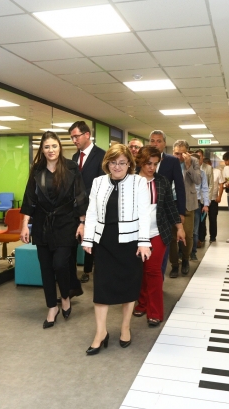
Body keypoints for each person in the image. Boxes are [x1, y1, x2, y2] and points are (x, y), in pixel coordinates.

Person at [82, 144, 151, 355]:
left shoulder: (139, 182)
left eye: (122, 162)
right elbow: (92, 212)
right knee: (101, 288)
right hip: (104, 241)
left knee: (128, 287)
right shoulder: (98, 182)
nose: (117, 166)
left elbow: (145, 213)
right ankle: (100, 332)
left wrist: (144, 242)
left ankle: (125, 327)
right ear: (107, 163)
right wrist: (88, 239)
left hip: (129, 242)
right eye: (113, 162)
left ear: (129, 163)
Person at [19, 132, 87, 328]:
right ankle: (52, 307)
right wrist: (25, 224)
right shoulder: (37, 169)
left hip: (66, 223)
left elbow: (80, 196)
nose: (51, 150)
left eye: (54, 146)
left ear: (60, 147)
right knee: (46, 267)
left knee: (60, 264)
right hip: (42, 224)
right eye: (47, 147)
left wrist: (82, 223)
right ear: (42, 149)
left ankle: (65, 296)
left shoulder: (71, 167)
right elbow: (30, 198)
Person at [132, 147, 184, 327]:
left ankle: (155, 311)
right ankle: (142, 303)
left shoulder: (162, 181)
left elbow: (170, 206)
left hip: (158, 232)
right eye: (148, 163)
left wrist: (179, 227)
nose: (152, 168)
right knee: (140, 271)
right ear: (140, 162)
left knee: (153, 270)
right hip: (136, 233)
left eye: (155, 164)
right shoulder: (130, 181)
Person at [70, 121, 106, 285]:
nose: (74, 140)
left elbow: (102, 183)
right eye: (72, 138)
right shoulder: (75, 157)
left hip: (94, 206)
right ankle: (75, 272)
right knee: (78, 238)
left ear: (87, 135)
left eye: (76, 136)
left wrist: (84, 198)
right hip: (76, 207)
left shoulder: (101, 155)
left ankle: (88, 270)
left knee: (92, 239)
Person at [148, 130, 186, 278]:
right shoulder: (142, 160)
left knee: (163, 244)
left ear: (164, 143)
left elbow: (180, 187)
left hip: (164, 210)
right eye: (152, 141)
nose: (155, 144)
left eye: (158, 141)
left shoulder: (172, 161)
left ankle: (159, 278)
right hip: (145, 210)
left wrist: (180, 212)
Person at [169, 140, 201, 278]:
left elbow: (198, 180)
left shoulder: (193, 161)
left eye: (182, 154)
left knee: (187, 235)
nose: (179, 156)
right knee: (171, 237)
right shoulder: (168, 161)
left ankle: (186, 260)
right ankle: (174, 264)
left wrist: (188, 166)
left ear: (187, 153)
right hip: (172, 202)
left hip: (188, 203)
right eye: (176, 153)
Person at [190, 154, 209, 261]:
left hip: (197, 203)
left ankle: (193, 252)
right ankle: (182, 253)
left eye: (197, 162)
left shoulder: (202, 174)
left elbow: (205, 189)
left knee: (195, 231)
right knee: (183, 229)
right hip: (184, 204)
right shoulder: (184, 172)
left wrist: (206, 204)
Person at [197, 153, 214, 245]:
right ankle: (198, 239)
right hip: (195, 199)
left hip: (204, 199)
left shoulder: (208, 168)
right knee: (196, 221)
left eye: (199, 156)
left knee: (202, 220)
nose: (198, 158)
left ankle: (201, 239)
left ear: (202, 157)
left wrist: (208, 200)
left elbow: (210, 185)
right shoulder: (189, 168)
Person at [209, 164, 225, 243]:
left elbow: (221, 184)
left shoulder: (217, 172)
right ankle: (201, 237)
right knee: (202, 220)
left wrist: (219, 196)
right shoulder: (201, 171)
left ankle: (213, 236)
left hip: (213, 199)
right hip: (203, 200)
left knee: (213, 218)